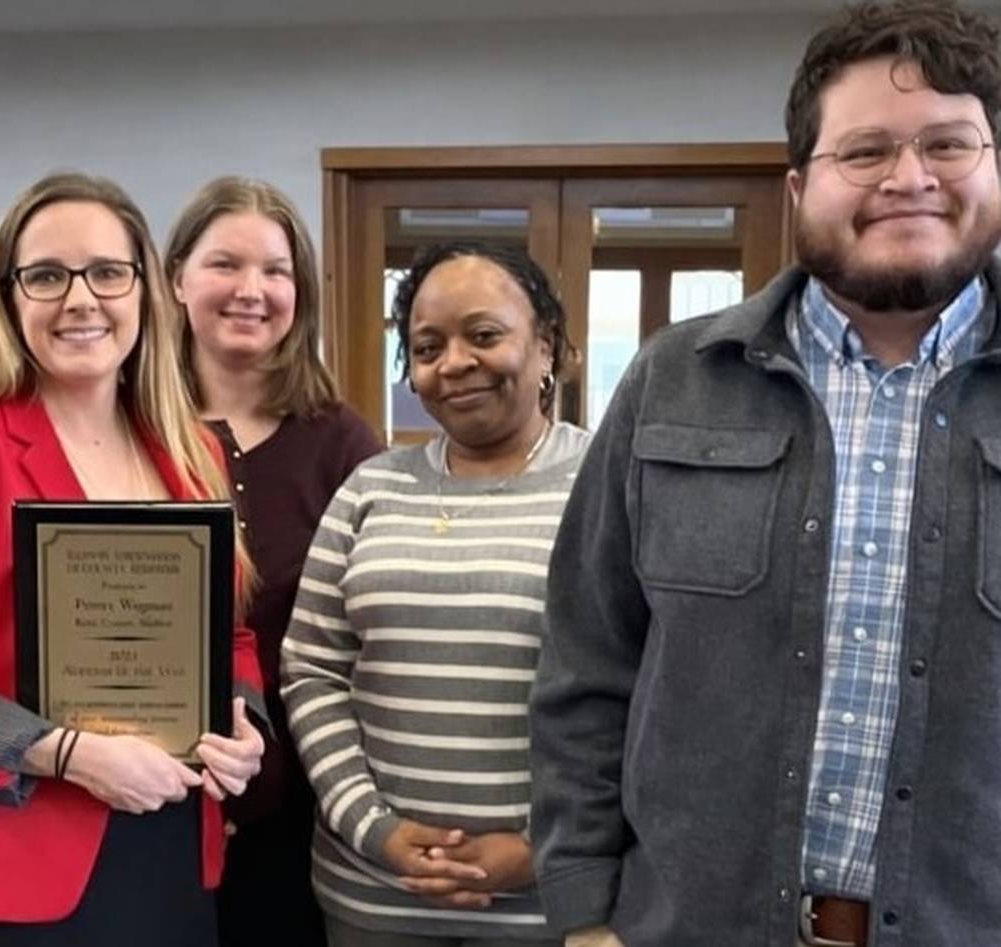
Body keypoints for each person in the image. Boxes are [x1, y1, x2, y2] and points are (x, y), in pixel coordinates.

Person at [529, 2, 1001, 945]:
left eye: (948, 144)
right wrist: (584, 916)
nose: (909, 179)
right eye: (865, 151)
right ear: (797, 186)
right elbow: (587, 666)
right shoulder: (672, 381)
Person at [0, 171, 267, 946]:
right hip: (12, 867)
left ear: (147, 289)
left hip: (174, 846)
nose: (81, 299)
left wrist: (244, 724)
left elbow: (228, 636)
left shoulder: (191, 452)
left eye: (108, 272)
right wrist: (65, 753)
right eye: (46, 275)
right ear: (10, 297)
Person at [282, 241, 586, 946]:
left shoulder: (609, 485)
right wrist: (374, 828)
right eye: (427, 346)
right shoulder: (369, 488)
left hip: (550, 904)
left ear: (545, 346)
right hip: (373, 898)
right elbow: (312, 667)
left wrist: (544, 844)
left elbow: (652, 688)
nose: (454, 362)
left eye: (484, 335)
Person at [165, 175, 382, 946]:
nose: (251, 290)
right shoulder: (121, 427)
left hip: (306, 805)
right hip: (143, 797)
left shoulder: (345, 444)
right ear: (178, 277)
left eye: (275, 270)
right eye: (225, 264)